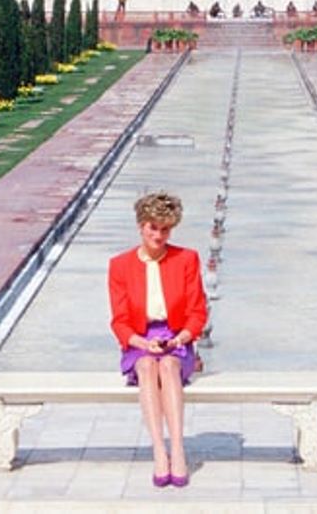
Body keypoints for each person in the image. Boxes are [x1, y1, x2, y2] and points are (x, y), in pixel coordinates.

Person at [109, 191, 207, 488]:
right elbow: (120, 321)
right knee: (148, 368)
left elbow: (197, 313)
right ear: (141, 227)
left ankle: (177, 449)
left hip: (176, 339)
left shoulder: (186, 259)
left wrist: (179, 340)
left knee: (167, 367)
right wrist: (141, 343)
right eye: (153, 227)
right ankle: (158, 451)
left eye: (165, 229)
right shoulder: (120, 265)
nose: (159, 235)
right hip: (139, 341)